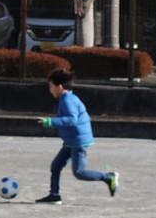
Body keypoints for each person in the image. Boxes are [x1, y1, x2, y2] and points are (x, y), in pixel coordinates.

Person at [35, 68, 118, 204]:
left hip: (78, 141)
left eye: (51, 87)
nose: (49, 90)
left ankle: (109, 177)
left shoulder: (68, 100)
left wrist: (50, 121)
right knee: (56, 166)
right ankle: (54, 195)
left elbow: (71, 119)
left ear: (59, 87)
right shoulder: (66, 98)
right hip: (71, 140)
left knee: (79, 173)